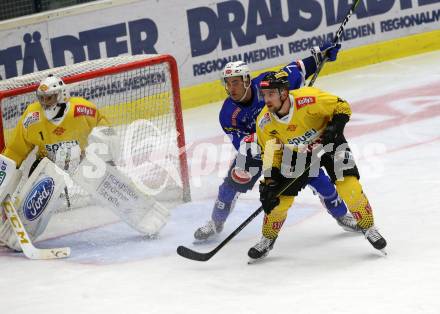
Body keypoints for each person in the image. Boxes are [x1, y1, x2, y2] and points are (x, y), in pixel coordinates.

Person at [194, 42, 361, 241]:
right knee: (230, 186)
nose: (231, 88)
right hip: (258, 150)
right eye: (228, 83)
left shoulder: (267, 83)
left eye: (236, 82)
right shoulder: (228, 114)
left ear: (247, 80)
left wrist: (321, 55)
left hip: (289, 141)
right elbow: (243, 146)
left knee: (318, 179)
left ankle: (341, 215)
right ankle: (216, 222)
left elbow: (297, 69)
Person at [0, 74, 169, 252]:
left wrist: (105, 154)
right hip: (49, 166)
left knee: (105, 180)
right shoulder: (32, 118)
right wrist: (4, 172)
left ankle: (147, 214)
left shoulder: (81, 110)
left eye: (49, 98)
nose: (45, 103)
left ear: (62, 95)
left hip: (81, 161)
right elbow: (16, 150)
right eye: (41, 98)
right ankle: (15, 235)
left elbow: (103, 125)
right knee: (41, 192)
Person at [248, 70, 387, 261]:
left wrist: (335, 127)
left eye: (270, 94)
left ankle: (368, 227)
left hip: (329, 142)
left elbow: (342, 106)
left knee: (349, 187)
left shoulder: (308, 99)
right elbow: (271, 152)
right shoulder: (264, 121)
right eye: (264, 95)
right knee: (278, 201)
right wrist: (270, 181)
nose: (266, 100)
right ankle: (267, 238)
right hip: (296, 153)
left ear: (283, 93)